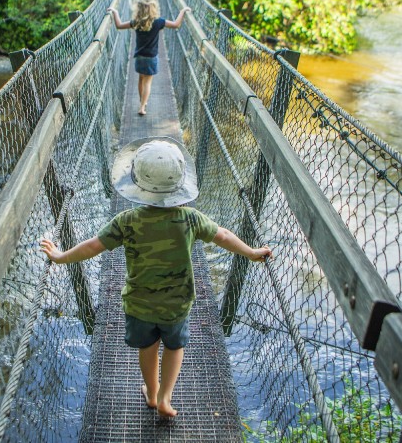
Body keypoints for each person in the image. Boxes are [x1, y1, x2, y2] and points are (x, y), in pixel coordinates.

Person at [39, 136, 271, 418]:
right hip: (177, 303)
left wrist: (61, 256)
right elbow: (222, 235)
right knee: (175, 348)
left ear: (137, 183)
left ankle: (151, 391)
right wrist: (250, 252)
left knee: (148, 348)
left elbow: (93, 246)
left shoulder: (127, 221)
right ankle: (165, 397)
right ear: (180, 182)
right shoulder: (191, 218)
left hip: (140, 304)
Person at [107, 0, 191, 116]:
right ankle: (142, 107)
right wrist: (182, 11)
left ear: (139, 9)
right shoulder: (158, 22)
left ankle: (143, 102)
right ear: (153, 8)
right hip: (151, 57)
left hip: (139, 57)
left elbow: (119, 25)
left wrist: (115, 12)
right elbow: (176, 24)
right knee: (147, 82)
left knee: (141, 79)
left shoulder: (136, 22)